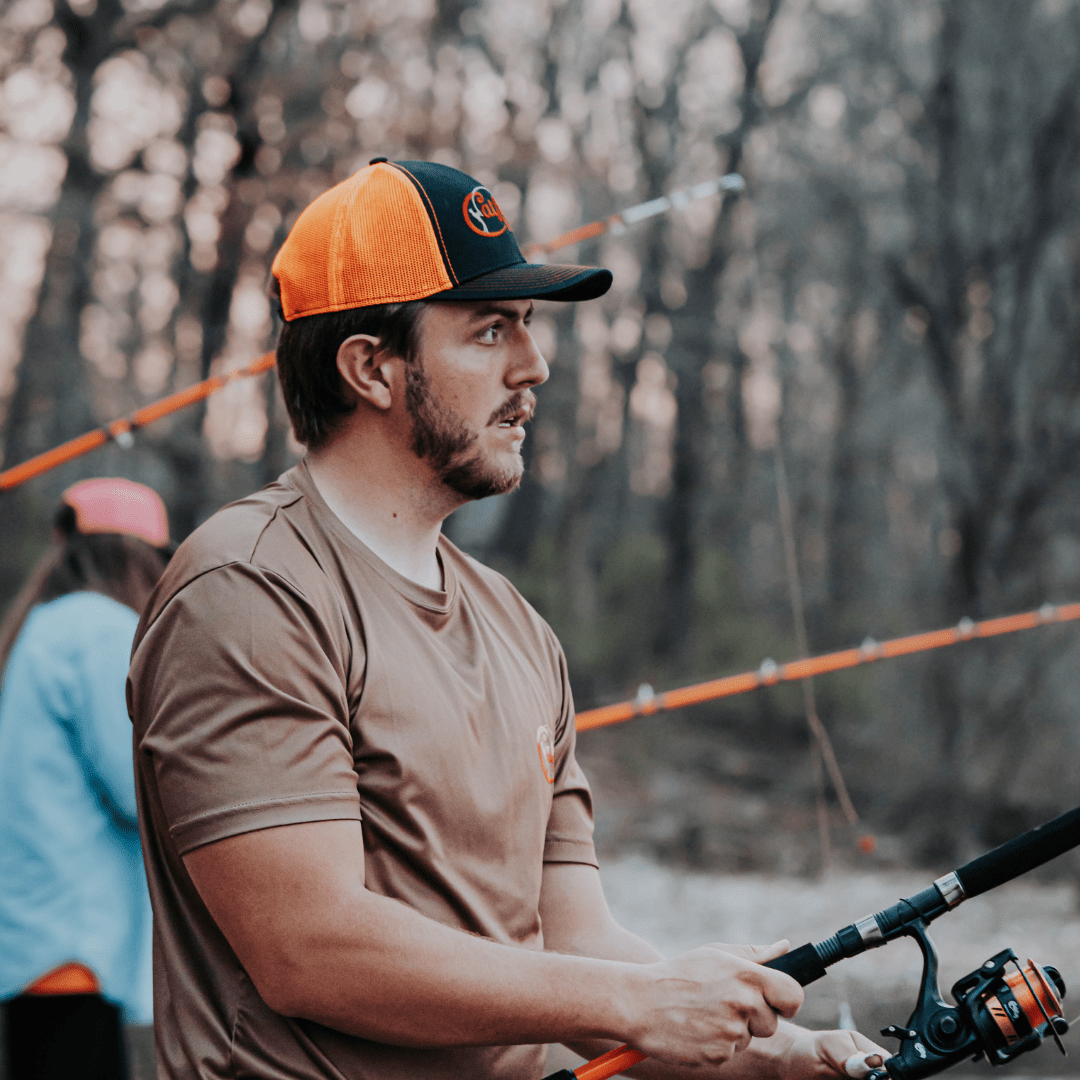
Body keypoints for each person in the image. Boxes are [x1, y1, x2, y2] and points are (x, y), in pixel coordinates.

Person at [127, 160, 887, 1080]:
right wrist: (638, 1002)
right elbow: (310, 948)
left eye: (527, 326)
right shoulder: (248, 588)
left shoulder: (519, 628)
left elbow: (575, 944)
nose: (535, 367)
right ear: (370, 368)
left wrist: (794, 1058)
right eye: (490, 331)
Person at [0, 477, 172, 1080]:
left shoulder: (45, 627)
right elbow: (136, 787)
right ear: (138, 557)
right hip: (73, 948)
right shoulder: (100, 630)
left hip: (38, 943)